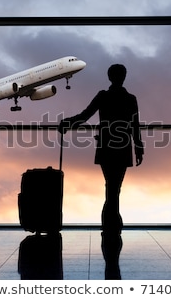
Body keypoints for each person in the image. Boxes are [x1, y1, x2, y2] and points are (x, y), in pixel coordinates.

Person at [59, 64, 144, 234]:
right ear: (123, 77)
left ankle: (110, 220)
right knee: (115, 186)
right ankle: (112, 220)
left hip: (106, 145)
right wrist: (139, 147)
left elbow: (85, 115)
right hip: (123, 146)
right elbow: (135, 125)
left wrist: (67, 122)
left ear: (109, 77)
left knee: (111, 185)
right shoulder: (130, 98)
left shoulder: (103, 96)